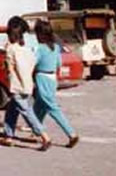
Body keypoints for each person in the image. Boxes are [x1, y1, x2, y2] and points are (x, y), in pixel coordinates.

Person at [1, 16, 52, 150]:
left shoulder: (10, 49)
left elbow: (8, 67)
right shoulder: (26, 49)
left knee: (27, 112)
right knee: (11, 111)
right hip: (26, 84)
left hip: (17, 86)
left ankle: (44, 136)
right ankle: (8, 135)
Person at [33, 20, 80, 148]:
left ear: (40, 34)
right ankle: (36, 130)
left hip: (42, 77)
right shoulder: (55, 47)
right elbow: (59, 63)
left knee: (52, 108)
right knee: (39, 106)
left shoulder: (39, 48)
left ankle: (71, 133)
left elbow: (33, 62)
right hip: (53, 78)